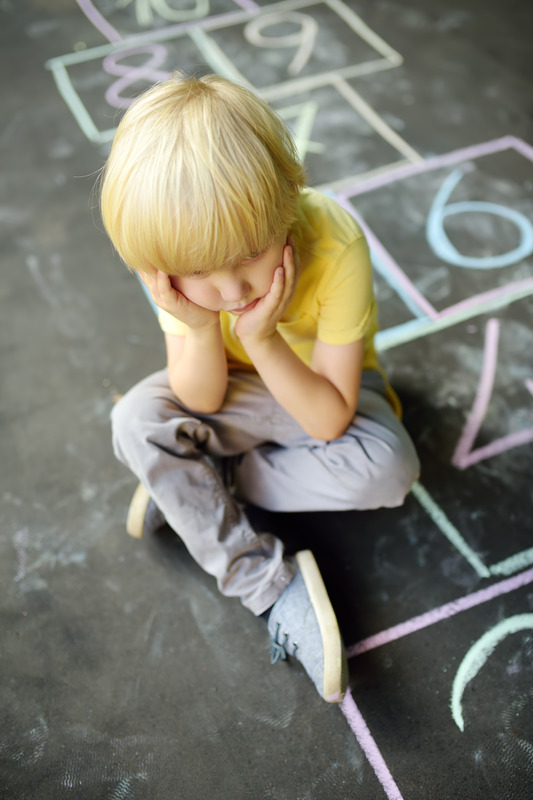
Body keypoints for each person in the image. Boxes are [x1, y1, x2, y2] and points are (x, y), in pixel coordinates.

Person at [100, 71, 420, 703]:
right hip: (232, 399)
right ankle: (266, 586)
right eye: (199, 273)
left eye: (248, 252)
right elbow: (202, 400)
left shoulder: (333, 240)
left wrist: (264, 336)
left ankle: (188, 484)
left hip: (320, 393)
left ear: (288, 201)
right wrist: (196, 328)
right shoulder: (171, 266)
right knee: (136, 418)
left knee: (389, 467)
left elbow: (330, 419)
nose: (229, 289)